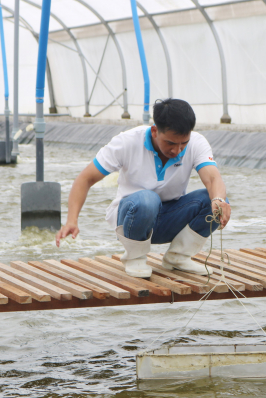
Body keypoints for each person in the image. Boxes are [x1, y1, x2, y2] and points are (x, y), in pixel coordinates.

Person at [55, 98, 231, 278]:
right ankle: (135, 257)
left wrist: (218, 200)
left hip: (168, 219)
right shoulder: (126, 142)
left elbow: (212, 178)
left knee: (216, 200)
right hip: (131, 218)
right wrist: (71, 220)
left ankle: (178, 257)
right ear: (155, 131)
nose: (177, 150)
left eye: (183, 144)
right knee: (148, 200)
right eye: (170, 143)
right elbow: (85, 179)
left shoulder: (197, 142)